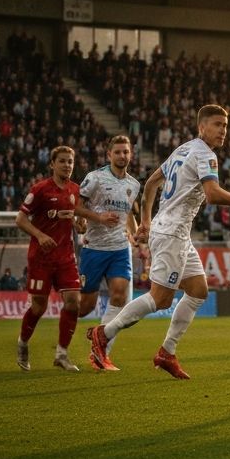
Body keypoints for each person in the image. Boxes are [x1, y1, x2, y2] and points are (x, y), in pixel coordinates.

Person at [88, 105, 230, 379]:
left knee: (198, 290)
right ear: (201, 127)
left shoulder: (182, 149)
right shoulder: (206, 155)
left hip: (173, 231)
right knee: (161, 298)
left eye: (225, 126)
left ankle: (167, 351)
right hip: (171, 233)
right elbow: (213, 195)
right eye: (217, 125)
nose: (223, 131)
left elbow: (152, 183)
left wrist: (146, 221)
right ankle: (103, 333)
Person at [15, 146, 120, 373]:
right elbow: (21, 219)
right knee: (38, 306)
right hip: (41, 258)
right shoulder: (40, 189)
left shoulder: (76, 191)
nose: (67, 165)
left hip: (66, 257)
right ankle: (23, 343)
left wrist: (80, 224)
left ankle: (62, 354)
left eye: (70, 161)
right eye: (62, 161)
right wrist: (41, 235)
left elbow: (78, 219)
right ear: (52, 164)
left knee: (73, 302)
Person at [77, 135, 141, 370]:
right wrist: (98, 217)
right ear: (109, 155)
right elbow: (76, 206)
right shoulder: (94, 178)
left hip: (119, 249)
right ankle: (68, 327)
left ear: (130, 154)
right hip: (94, 248)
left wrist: (136, 237)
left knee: (119, 297)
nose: (122, 155)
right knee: (84, 307)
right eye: (118, 152)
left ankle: (100, 352)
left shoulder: (133, 185)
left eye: (126, 152)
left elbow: (130, 215)